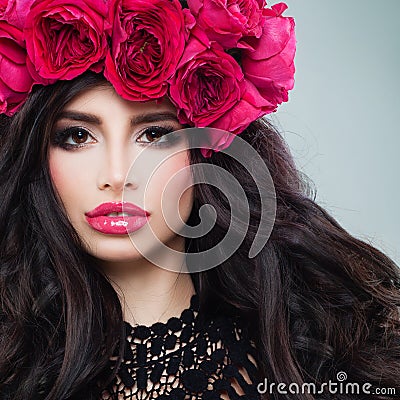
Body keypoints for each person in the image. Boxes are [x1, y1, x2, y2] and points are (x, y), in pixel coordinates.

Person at [0, 1, 399, 400]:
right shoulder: (12, 365)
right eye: (78, 137)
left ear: (208, 155)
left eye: (155, 135)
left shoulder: (323, 356)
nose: (118, 176)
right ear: (36, 154)